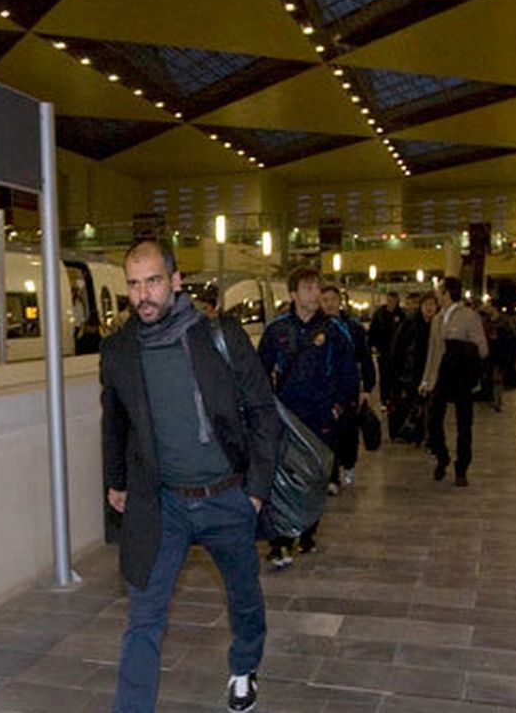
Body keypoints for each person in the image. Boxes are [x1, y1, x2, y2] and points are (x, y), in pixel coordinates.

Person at [101, 239, 280, 713]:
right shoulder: (119, 350)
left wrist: (256, 493)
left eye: (154, 281)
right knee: (143, 617)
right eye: (134, 284)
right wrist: (115, 480)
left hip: (227, 497)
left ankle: (244, 666)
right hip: (163, 504)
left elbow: (264, 412)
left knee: (243, 596)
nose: (144, 295)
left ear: (176, 281)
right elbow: (115, 420)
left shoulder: (219, 336)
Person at [258, 266, 357, 566]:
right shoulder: (276, 330)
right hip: (285, 417)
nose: (316, 293)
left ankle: (307, 532)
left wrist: (337, 406)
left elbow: (349, 373)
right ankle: (280, 541)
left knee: (315, 476)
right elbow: (259, 371)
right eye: (309, 288)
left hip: (320, 416)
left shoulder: (334, 331)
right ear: (293, 294)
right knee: (280, 477)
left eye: (317, 287)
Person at [419, 277, 488, 487]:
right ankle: (442, 456)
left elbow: (483, 348)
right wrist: (426, 380)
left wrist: (463, 350)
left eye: (440, 290)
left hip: (461, 378)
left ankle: (461, 468)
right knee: (433, 421)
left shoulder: (469, 317)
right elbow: (432, 352)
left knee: (464, 425)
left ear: (447, 293)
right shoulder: (438, 319)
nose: (437, 294)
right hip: (440, 377)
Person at [319, 285, 375, 492]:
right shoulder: (316, 328)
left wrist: (367, 388)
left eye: (332, 299)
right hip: (325, 390)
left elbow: (365, 359)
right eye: (324, 300)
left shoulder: (353, 328)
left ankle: (349, 464)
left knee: (348, 432)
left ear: (340, 301)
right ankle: (332, 477)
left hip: (349, 389)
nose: (329, 304)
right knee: (328, 434)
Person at [387, 291, 437, 441]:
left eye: (433, 305)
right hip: (410, 372)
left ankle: (422, 433)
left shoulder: (438, 325)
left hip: (429, 371)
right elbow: (397, 350)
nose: (429, 308)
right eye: (426, 304)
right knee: (409, 402)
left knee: (427, 404)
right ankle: (408, 432)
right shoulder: (409, 324)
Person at [367, 291, 406, 408]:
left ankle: (395, 399)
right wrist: (373, 346)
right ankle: (384, 400)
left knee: (396, 376)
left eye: (394, 301)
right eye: (389, 301)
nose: (391, 303)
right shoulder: (379, 314)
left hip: (398, 352)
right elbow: (372, 331)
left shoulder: (402, 315)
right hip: (383, 351)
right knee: (384, 376)